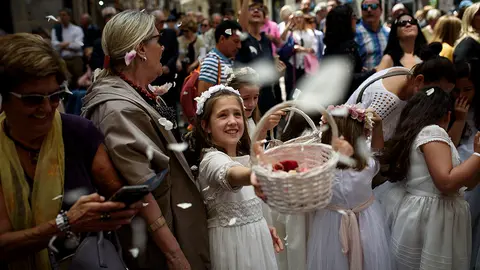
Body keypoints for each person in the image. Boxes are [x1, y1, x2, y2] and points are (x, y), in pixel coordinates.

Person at [81, 10, 209, 269]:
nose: (162, 47)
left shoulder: (137, 92)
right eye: (157, 40)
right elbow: (143, 191)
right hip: (161, 241)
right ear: (140, 49)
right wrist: (175, 256)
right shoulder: (117, 109)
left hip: (178, 222)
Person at [0, 33, 140, 270]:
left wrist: (117, 210)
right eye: (32, 100)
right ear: (4, 98)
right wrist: (66, 223)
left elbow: (116, 197)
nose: (46, 108)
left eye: (55, 97)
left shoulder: (77, 133)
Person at [380, 88, 480, 270]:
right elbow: (446, 182)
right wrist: (478, 154)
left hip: (430, 214)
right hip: (434, 221)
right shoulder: (432, 132)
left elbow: (466, 182)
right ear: (446, 115)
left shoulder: (420, 134)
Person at [187, 85, 281, 270]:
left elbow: (247, 203)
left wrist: (262, 225)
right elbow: (230, 174)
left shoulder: (244, 157)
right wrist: (255, 174)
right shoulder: (211, 160)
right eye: (223, 115)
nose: (232, 121)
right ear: (206, 126)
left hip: (257, 240)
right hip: (232, 247)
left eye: (237, 114)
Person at [307, 105, 394, 270]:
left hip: (329, 222)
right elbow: (378, 151)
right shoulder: (368, 164)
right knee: (369, 257)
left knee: (332, 260)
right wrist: (378, 128)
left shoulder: (318, 168)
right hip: (366, 220)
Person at [453, 60, 480, 269]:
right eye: (457, 89)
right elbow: (449, 143)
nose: (462, 94)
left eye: (468, 89)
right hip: (457, 159)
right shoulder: (450, 108)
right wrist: (459, 119)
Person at [324, 5, 376, 100]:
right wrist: (374, 72)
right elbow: (346, 80)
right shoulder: (345, 47)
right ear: (345, 22)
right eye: (353, 16)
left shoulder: (334, 45)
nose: (356, 20)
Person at [280, 10, 318, 100]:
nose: (298, 19)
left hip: (306, 66)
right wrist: (289, 23)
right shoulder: (291, 32)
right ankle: (291, 107)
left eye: (300, 16)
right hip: (293, 65)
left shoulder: (309, 32)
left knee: (304, 87)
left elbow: (314, 49)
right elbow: (281, 39)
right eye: (296, 17)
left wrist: (301, 49)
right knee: (292, 87)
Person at [197, 20, 242, 94]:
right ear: (222, 39)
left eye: (240, 42)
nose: (239, 46)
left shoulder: (228, 60)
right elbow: (203, 100)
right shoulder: (212, 62)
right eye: (236, 41)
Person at [151, 10, 180, 116]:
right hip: (154, 76)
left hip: (168, 74)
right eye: (161, 22)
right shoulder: (148, 36)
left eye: (164, 21)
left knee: (171, 105)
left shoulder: (170, 33)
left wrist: (168, 66)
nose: (163, 24)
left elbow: (175, 53)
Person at [51, 8, 84, 89]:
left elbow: (78, 46)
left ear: (69, 16)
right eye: (60, 15)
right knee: (64, 81)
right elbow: (54, 45)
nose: (62, 17)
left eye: (64, 15)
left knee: (78, 80)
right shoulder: (56, 30)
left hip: (75, 58)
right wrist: (69, 43)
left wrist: (63, 45)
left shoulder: (77, 29)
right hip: (62, 59)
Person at [355, 0, 390, 70]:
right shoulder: (354, 33)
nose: (369, 10)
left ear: (381, 10)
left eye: (374, 6)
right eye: (365, 7)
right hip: (364, 80)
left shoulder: (387, 32)